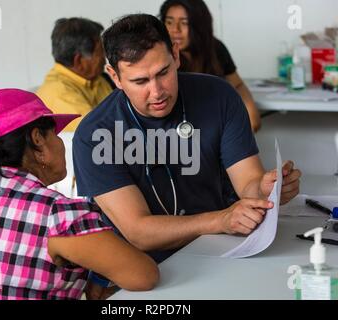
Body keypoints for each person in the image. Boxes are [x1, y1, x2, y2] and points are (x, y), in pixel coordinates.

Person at [73, 14, 301, 265]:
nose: (157, 91)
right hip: (144, 267)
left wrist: (265, 190)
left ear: (176, 55)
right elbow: (139, 232)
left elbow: (248, 182)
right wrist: (221, 220)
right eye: (140, 81)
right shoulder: (95, 134)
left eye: (163, 72)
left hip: (222, 248)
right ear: (114, 77)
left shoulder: (219, 96)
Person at [0, 89, 158, 300]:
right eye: (55, 134)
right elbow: (144, 275)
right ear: (38, 139)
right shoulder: (57, 215)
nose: (60, 142)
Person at [37, 17, 113, 197]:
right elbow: (103, 136)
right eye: (100, 52)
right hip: (84, 185)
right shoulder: (58, 93)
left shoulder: (98, 80)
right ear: (79, 60)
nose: (105, 59)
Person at [159, 0, 261, 133]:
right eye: (169, 22)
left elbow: (237, 85)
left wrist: (251, 115)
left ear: (199, 25)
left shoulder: (215, 48)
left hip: (216, 124)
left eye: (184, 23)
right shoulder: (161, 55)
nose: (175, 29)